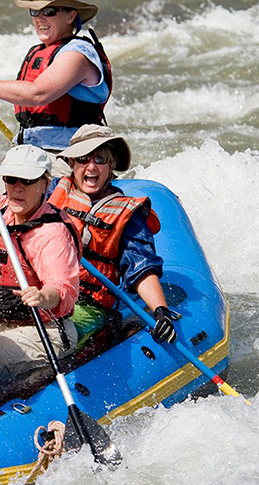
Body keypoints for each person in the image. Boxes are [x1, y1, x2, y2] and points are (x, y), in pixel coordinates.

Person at [0, 145, 80, 398]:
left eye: (27, 181)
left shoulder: (53, 233)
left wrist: (42, 297)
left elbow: (62, 290)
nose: (18, 187)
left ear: (44, 182)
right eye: (11, 179)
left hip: (42, 330)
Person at [49, 124, 177, 344]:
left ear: (111, 165)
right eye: (83, 159)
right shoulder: (51, 191)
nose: (91, 167)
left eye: (99, 159)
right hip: (43, 289)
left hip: (86, 303)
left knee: (53, 334)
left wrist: (160, 311)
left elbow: (141, 267)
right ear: (71, 163)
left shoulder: (127, 215)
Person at [0, 0, 111, 156]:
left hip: (73, 153)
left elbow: (38, 94)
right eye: (34, 11)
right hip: (33, 150)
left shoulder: (78, 53)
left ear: (70, 16)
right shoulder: (41, 51)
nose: (39, 18)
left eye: (49, 11)